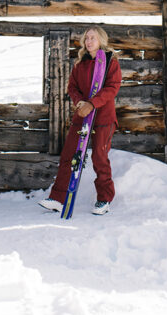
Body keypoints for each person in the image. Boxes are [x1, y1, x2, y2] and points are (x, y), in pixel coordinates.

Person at [39, 26, 122, 215]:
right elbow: (72, 87)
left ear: (101, 40)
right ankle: (58, 199)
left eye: (92, 38)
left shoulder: (110, 62)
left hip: (103, 117)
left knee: (99, 158)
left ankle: (104, 199)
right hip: (82, 116)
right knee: (70, 156)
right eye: (86, 38)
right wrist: (79, 103)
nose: (89, 41)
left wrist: (93, 104)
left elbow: (112, 87)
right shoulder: (80, 64)